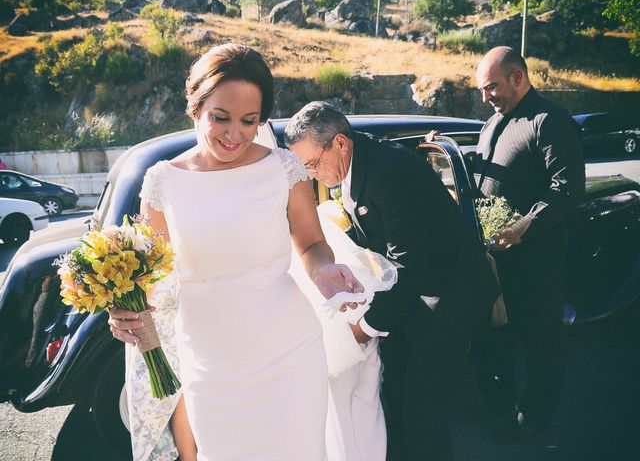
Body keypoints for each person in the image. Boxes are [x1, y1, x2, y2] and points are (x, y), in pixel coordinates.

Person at [108, 44, 367, 461]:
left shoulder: (285, 168)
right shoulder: (162, 184)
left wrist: (323, 271)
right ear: (195, 108)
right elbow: (151, 283)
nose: (234, 135)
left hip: (290, 356)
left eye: (250, 121)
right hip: (211, 365)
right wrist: (126, 311)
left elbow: (312, 243)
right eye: (220, 118)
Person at [285, 101, 500, 461]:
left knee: (422, 409)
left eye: (311, 164)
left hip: (447, 297)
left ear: (340, 143)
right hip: (412, 298)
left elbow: (408, 265)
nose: (310, 175)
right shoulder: (353, 161)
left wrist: (364, 328)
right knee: (395, 393)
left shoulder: (389, 172)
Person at [471, 46, 585, 441]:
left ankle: (535, 419)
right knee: (494, 334)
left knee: (541, 339)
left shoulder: (550, 121)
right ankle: (498, 399)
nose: (486, 97)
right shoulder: (491, 124)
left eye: (491, 88)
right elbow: (486, 171)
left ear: (518, 76)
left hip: (536, 258)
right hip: (494, 258)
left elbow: (568, 190)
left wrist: (523, 227)